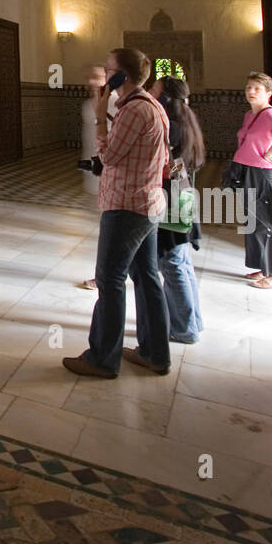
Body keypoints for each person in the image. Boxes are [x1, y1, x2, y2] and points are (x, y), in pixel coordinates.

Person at [63, 47, 171, 379]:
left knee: (110, 280)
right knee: (146, 277)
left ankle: (102, 359)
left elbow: (109, 156)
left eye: (110, 69)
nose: (107, 75)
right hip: (146, 202)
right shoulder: (148, 105)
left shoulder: (135, 110)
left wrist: (99, 115)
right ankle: (155, 353)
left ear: (123, 75)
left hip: (127, 206)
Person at [149, 76, 205, 344]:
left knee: (172, 264)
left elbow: (166, 167)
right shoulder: (185, 122)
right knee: (181, 263)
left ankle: (184, 328)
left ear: (166, 99)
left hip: (171, 201)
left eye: (155, 91)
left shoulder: (172, 128)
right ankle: (190, 322)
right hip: (181, 197)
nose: (150, 93)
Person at [231, 72, 272, 290]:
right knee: (254, 221)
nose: (251, 91)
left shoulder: (271, 114)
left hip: (265, 174)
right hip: (250, 171)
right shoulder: (250, 115)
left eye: (257, 88)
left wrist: (271, 152)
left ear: (268, 93)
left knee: (270, 222)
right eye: (249, 87)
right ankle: (262, 267)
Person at [78, 63, 120, 290]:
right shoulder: (88, 104)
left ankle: (105, 276)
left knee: (111, 230)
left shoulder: (115, 104)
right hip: (96, 174)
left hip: (112, 174)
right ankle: (107, 274)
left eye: (98, 77)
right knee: (106, 228)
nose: (92, 82)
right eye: (90, 77)